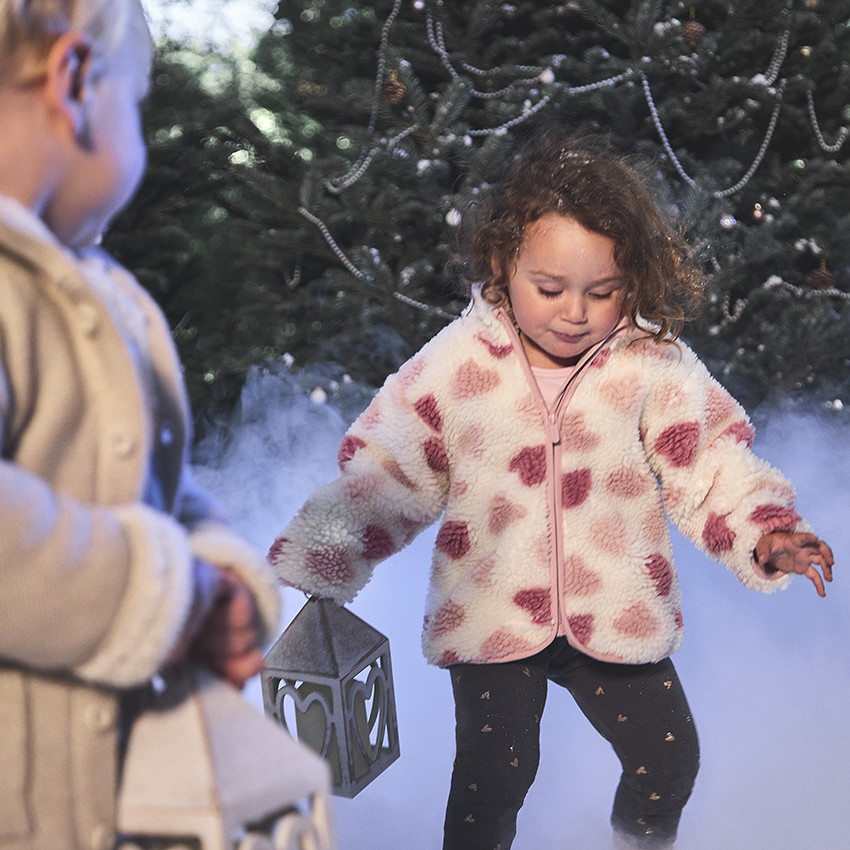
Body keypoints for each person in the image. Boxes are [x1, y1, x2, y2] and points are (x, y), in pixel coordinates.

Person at [268, 127, 834, 849]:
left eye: (602, 291)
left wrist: (766, 532)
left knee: (668, 760)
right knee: (495, 777)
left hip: (617, 609)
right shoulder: (456, 365)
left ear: (633, 277)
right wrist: (328, 550)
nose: (575, 312)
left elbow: (711, 463)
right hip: (492, 610)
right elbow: (389, 468)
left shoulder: (653, 364)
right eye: (551, 288)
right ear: (503, 265)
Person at [0, 2, 281, 848]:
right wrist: (154, 592)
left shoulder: (94, 291)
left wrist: (212, 570)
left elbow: (149, 479)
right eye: (140, 105)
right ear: (76, 83)